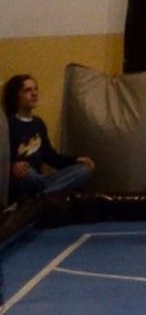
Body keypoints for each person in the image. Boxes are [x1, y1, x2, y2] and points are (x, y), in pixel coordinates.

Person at [3, 71, 93, 214]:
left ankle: (38, 200)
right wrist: (12, 165)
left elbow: (50, 156)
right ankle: (44, 197)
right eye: (27, 90)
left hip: (40, 181)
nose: (34, 93)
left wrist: (75, 159)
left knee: (84, 169)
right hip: (22, 179)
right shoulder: (8, 125)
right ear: (15, 97)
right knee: (28, 172)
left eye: (35, 89)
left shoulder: (38, 123)